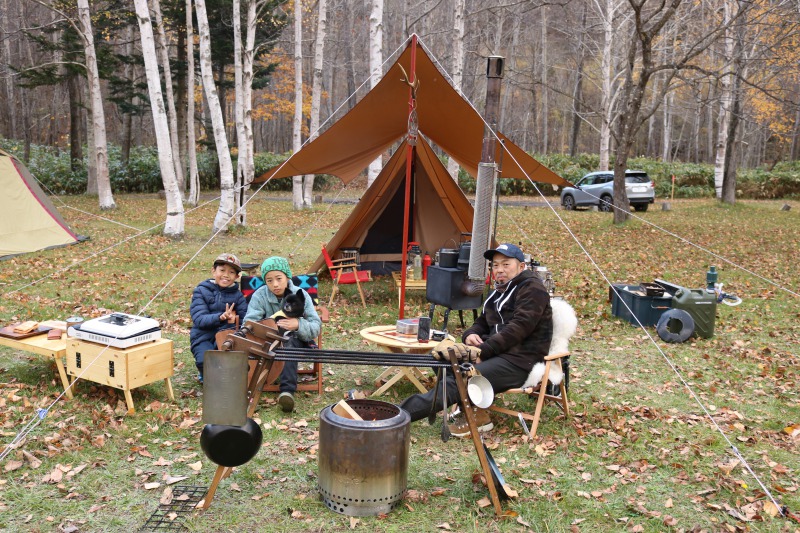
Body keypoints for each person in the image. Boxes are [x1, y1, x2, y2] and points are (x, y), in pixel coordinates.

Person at [400, 243, 553, 437]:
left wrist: (483, 351)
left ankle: (395, 416)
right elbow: (482, 321)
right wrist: (470, 334)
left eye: (506, 264)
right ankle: (474, 410)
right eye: (495, 265)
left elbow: (519, 328)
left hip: (520, 361)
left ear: (521, 266)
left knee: (459, 378)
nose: (499, 270)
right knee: (443, 360)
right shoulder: (499, 290)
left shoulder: (532, 289)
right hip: (495, 353)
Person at [243, 256, 321, 413]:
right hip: (267, 341)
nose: (275, 284)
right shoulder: (260, 295)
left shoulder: (301, 294)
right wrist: (269, 327)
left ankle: (286, 391)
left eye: (279, 278)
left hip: (295, 339)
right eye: (269, 280)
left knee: (288, 341)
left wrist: (298, 324)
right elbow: (249, 323)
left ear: (287, 276)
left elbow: (316, 326)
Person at [189, 253, 249, 383]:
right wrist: (220, 317)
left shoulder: (238, 296)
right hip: (202, 335)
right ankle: (205, 373)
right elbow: (199, 319)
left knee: (225, 362)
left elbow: (245, 320)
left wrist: (234, 321)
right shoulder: (201, 290)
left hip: (226, 336)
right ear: (213, 271)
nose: (226, 275)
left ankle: (221, 376)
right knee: (203, 361)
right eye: (222, 270)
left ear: (237, 277)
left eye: (231, 272)